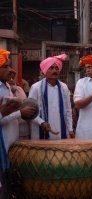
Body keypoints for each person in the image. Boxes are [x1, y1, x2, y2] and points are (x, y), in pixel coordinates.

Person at [0, 48, 36, 199]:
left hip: (10, 145)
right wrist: (18, 113)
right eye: (6, 66)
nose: (11, 70)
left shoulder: (7, 87)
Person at [28, 54, 74, 140]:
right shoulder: (36, 87)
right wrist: (41, 122)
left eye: (57, 68)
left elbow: (68, 110)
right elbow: (30, 111)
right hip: (41, 131)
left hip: (61, 132)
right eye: (51, 68)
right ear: (45, 71)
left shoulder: (64, 87)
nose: (55, 71)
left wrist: (70, 129)